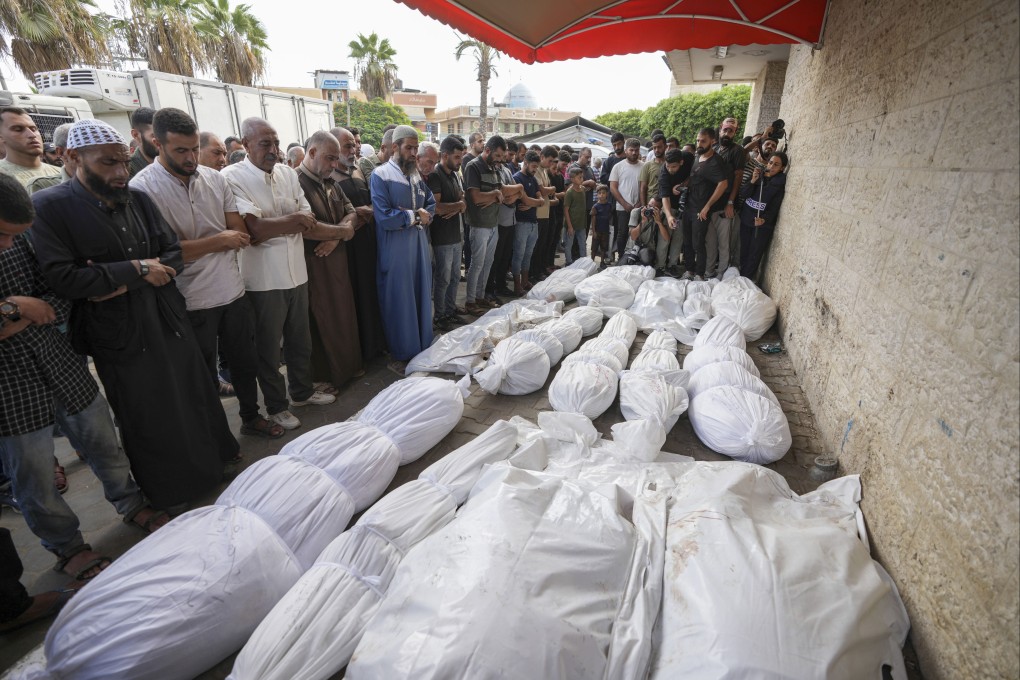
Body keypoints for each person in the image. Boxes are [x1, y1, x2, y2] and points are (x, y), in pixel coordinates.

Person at [30, 119, 240, 512]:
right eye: (108, 164)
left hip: (167, 317)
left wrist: (119, 279)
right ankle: (171, 491)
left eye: (123, 163)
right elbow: (64, 277)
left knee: (192, 395)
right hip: (119, 333)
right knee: (147, 411)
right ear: (73, 158)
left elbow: (173, 253)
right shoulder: (50, 207)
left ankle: (211, 468)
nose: (120, 173)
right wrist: (140, 271)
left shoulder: (137, 199)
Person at [2, 174, 169, 585]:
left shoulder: (24, 239)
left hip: (61, 362)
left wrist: (19, 312)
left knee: (103, 442)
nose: (8, 245)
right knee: (34, 474)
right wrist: (17, 306)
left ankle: (130, 504)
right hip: (8, 386)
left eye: (14, 237)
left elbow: (59, 291)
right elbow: (38, 306)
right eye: (2, 236)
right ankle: (68, 547)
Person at [131, 108, 282, 440]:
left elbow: (239, 233)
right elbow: (161, 256)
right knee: (200, 376)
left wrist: (196, 245)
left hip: (231, 290)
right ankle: (214, 436)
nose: (190, 158)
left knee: (244, 364)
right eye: (180, 151)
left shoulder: (215, 178)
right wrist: (217, 241)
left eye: (193, 149)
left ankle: (250, 417)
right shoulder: (142, 189)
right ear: (157, 143)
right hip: (187, 299)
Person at [221, 117, 337, 431]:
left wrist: (284, 222)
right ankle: (276, 407)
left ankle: (301, 392)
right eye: (264, 144)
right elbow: (253, 230)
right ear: (245, 145)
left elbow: (308, 218)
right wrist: (291, 221)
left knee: (301, 341)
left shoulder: (287, 173)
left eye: (275, 143)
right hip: (262, 280)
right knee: (268, 350)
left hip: (296, 273)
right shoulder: (231, 177)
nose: (273, 150)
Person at [297, 131, 362, 390]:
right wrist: (344, 232)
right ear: (312, 153)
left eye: (337, 159)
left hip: (336, 261)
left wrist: (336, 237)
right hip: (313, 265)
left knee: (343, 316)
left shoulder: (330, 182)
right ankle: (324, 378)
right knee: (320, 320)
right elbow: (306, 227)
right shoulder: (296, 182)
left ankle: (345, 370)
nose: (335, 165)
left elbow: (351, 212)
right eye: (330, 158)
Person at [369, 124, 436, 369]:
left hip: (417, 245)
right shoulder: (380, 175)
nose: (413, 153)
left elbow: (430, 203)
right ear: (394, 147)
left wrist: (418, 215)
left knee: (420, 295)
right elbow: (385, 217)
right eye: (409, 148)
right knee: (399, 300)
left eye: (416, 148)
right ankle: (402, 354)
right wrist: (415, 216)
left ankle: (421, 348)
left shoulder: (416, 174)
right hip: (395, 251)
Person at [331, 126, 387, 361]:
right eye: (347, 145)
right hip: (347, 249)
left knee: (371, 294)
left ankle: (376, 345)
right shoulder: (330, 176)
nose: (352, 149)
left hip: (368, 243)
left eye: (354, 145)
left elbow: (375, 203)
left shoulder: (358, 171)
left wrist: (369, 211)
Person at [463, 135, 508, 315]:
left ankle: (480, 296)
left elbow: (501, 196)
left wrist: (494, 195)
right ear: (487, 150)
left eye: (501, 157)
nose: (499, 160)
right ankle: (470, 300)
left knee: (487, 263)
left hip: (493, 223)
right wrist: (495, 194)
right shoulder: (473, 166)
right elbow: (476, 197)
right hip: (479, 224)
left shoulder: (494, 167)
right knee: (477, 264)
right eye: (497, 156)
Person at [428, 135, 467, 331]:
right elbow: (436, 208)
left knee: (454, 278)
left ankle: (450, 311)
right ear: (445, 155)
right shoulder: (436, 175)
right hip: (442, 237)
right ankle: (440, 316)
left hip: (455, 234)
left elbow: (463, 202)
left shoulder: (454, 175)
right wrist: (457, 206)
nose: (460, 161)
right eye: (457, 157)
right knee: (442, 279)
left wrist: (457, 207)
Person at [681, 127, 730, 281]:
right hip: (689, 206)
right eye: (698, 140)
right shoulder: (697, 156)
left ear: (713, 141)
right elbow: (695, 177)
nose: (699, 144)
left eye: (703, 141)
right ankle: (689, 270)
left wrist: (707, 207)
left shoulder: (716, 161)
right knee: (687, 241)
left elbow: (723, 184)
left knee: (698, 243)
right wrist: (683, 185)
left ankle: (700, 275)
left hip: (701, 210)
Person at [706, 117, 748, 277]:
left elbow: (738, 177)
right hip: (710, 203)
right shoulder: (714, 147)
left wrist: (730, 202)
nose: (727, 133)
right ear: (720, 129)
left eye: (731, 131)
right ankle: (709, 271)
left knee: (724, 242)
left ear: (735, 132)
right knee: (710, 242)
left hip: (725, 204)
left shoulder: (737, 151)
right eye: (725, 129)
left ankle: (721, 273)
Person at [739, 151, 788, 280]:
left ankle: (746, 279)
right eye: (770, 163)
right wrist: (753, 181)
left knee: (754, 254)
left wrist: (764, 219)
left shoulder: (779, 182)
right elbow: (744, 193)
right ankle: (741, 277)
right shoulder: (758, 176)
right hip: (746, 218)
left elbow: (774, 206)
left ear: (782, 168)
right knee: (744, 249)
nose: (771, 167)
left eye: (776, 165)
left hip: (761, 224)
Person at [0, 107, 62, 192]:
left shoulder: (62, 173)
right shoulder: (2, 174)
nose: (32, 135)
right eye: (18, 129)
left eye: (34, 129)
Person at [510, 150, 546, 294]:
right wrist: (535, 202)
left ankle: (525, 281)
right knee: (519, 254)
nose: (535, 169)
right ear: (525, 163)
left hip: (533, 222)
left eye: (537, 167)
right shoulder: (517, 178)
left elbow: (541, 200)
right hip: (521, 222)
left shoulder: (533, 179)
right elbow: (525, 199)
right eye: (533, 166)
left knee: (528, 254)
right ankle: (517, 284)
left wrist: (532, 204)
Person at [658, 147, 695, 274]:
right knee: (664, 238)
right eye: (668, 166)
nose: (670, 169)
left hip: (686, 205)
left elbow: (695, 173)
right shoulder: (663, 172)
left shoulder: (688, 158)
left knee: (679, 238)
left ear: (681, 162)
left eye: (673, 166)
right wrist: (668, 216)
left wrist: (684, 185)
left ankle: (673, 264)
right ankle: (660, 266)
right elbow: (665, 197)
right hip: (670, 205)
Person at [609, 138, 644, 261]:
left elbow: (645, 187)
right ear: (626, 150)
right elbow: (613, 187)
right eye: (631, 150)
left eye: (636, 150)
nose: (634, 153)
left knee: (639, 234)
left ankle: (634, 258)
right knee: (622, 233)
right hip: (622, 207)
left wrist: (640, 202)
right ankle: (621, 258)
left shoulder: (644, 166)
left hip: (639, 207)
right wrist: (624, 204)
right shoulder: (618, 167)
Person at [562, 167, 588, 265]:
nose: (581, 179)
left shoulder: (583, 190)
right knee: (569, 245)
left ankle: (584, 263)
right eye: (579, 177)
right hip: (571, 224)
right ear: (572, 179)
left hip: (581, 224)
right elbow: (566, 209)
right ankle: (568, 262)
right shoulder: (570, 193)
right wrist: (569, 226)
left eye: (582, 177)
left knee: (582, 244)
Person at [127, 107, 157, 178]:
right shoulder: (128, 171)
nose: (162, 141)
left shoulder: (172, 164)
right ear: (136, 135)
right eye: (155, 136)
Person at [590, 184, 614, 269]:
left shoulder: (609, 205)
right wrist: (594, 231)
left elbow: (610, 216)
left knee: (604, 247)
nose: (601, 195)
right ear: (597, 195)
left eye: (603, 193)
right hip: (597, 231)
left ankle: (602, 262)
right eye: (599, 193)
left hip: (605, 230)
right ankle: (592, 262)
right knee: (594, 248)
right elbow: (593, 219)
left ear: (607, 194)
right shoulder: (595, 206)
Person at [640, 133, 666, 208]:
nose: (657, 150)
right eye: (654, 148)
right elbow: (643, 188)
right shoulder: (647, 165)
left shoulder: (670, 165)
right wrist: (643, 207)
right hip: (650, 204)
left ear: (665, 146)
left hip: (666, 203)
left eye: (659, 147)